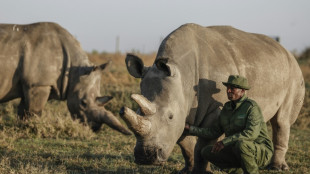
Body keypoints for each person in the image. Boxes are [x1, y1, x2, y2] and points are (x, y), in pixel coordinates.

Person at [185, 75, 274, 174]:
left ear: (242, 91)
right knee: (207, 151)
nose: (228, 91)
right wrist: (191, 129)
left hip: (261, 151)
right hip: (237, 149)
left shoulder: (251, 107)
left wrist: (224, 142)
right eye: (227, 88)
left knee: (242, 144)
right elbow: (213, 132)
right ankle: (238, 172)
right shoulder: (226, 108)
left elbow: (251, 134)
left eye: (232, 88)